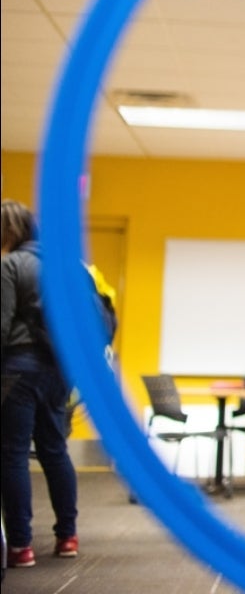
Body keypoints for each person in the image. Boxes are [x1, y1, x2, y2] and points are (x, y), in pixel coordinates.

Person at [1, 199, 80, 568]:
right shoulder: (68, 265)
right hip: (60, 371)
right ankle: (67, 536)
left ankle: (21, 545)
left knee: (14, 455)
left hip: (19, 370)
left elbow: (1, 329)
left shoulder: (11, 264)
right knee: (55, 450)